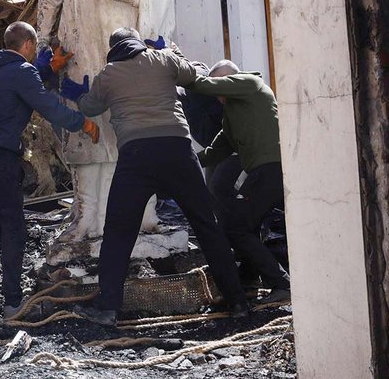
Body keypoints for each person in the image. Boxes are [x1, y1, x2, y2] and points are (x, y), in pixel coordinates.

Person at [37, 0, 176, 251]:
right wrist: (45, 41)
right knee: (85, 115)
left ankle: (143, 215)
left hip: (124, 28)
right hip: (79, 30)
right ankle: (87, 216)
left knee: (130, 116)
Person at [62, 27, 250, 325]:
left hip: (136, 155)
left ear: (113, 48)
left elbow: (90, 106)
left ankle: (108, 308)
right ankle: (238, 300)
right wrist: (171, 54)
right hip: (177, 149)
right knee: (206, 225)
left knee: (119, 232)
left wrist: (79, 93)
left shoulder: (108, 75)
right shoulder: (163, 60)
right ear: (140, 43)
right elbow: (196, 76)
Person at [0, 21, 101, 317]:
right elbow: (46, 103)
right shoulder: (21, 72)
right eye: (35, 47)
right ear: (28, 46)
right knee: (14, 229)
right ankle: (12, 303)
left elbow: (23, 83)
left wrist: (49, 69)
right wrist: (82, 122)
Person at [191, 60, 291, 302]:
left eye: (219, 86)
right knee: (244, 222)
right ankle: (249, 277)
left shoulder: (251, 83)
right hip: (261, 173)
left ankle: (282, 285)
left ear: (229, 79)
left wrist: (178, 71)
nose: (217, 96)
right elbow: (218, 149)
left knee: (237, 227)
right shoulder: (232, 113)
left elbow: (205, 85)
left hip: (272, 169)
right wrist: (187, 161)